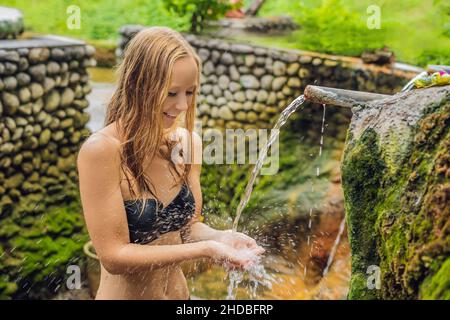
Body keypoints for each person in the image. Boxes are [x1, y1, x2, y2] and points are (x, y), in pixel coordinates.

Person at [77, 26, 264, 300]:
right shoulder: (102, 151)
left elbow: (185, 229)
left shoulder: (188, 144)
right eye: (172, 93)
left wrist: (220, 237)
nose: (183, 106)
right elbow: (114, 257)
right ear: (139, 86)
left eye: (190, 92)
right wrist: (207, 250)